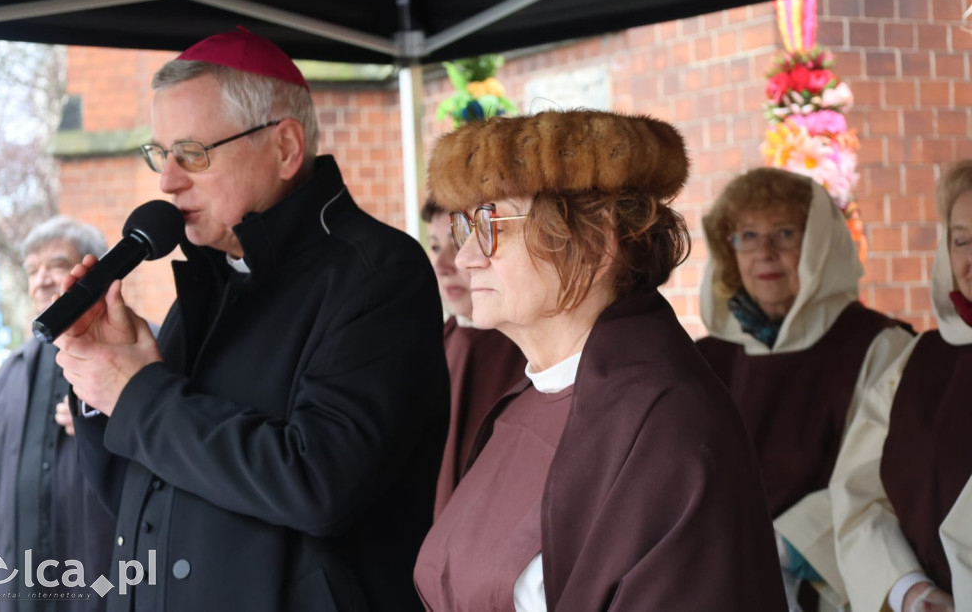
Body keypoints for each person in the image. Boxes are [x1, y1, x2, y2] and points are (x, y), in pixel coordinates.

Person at [53, 28, 449, 612]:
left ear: (286, 147)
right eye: (160, 154)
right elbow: (141, 496)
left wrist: (138, 393)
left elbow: (319, 484)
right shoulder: (214, 276)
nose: (167, 181)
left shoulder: (376, 273)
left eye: (192, 153)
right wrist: (102, 385)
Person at [414, 109, 788, 611]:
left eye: (492, 223)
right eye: (465, 226)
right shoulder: (530, 394)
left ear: (596, 241)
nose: (463, 259)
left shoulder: (667, 425)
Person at [695, 167, 914, 612]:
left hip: (824, 586)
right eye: (748, 236)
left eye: (785, 233)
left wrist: (784, 544)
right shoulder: (706, 358)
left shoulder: (879, 346)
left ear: (820, 245)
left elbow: (880, 475)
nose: (765, 253)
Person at [831, 160, 972, 612]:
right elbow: (859, 492)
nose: (971, 258)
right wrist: (910, 590)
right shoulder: (919, 360)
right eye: (961, 239)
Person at [0, 217, 115, 612]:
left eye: (55, 265)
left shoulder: (141, 354)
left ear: (95, 270)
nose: (42, 280)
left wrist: (115, 418)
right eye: (32, 271)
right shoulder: (9, 373)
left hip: (104, 584)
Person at [421, 199, 526, 517]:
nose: (444, 265)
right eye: (436, 247)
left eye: (459, 243)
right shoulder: (437, 340)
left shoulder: (521, 350)